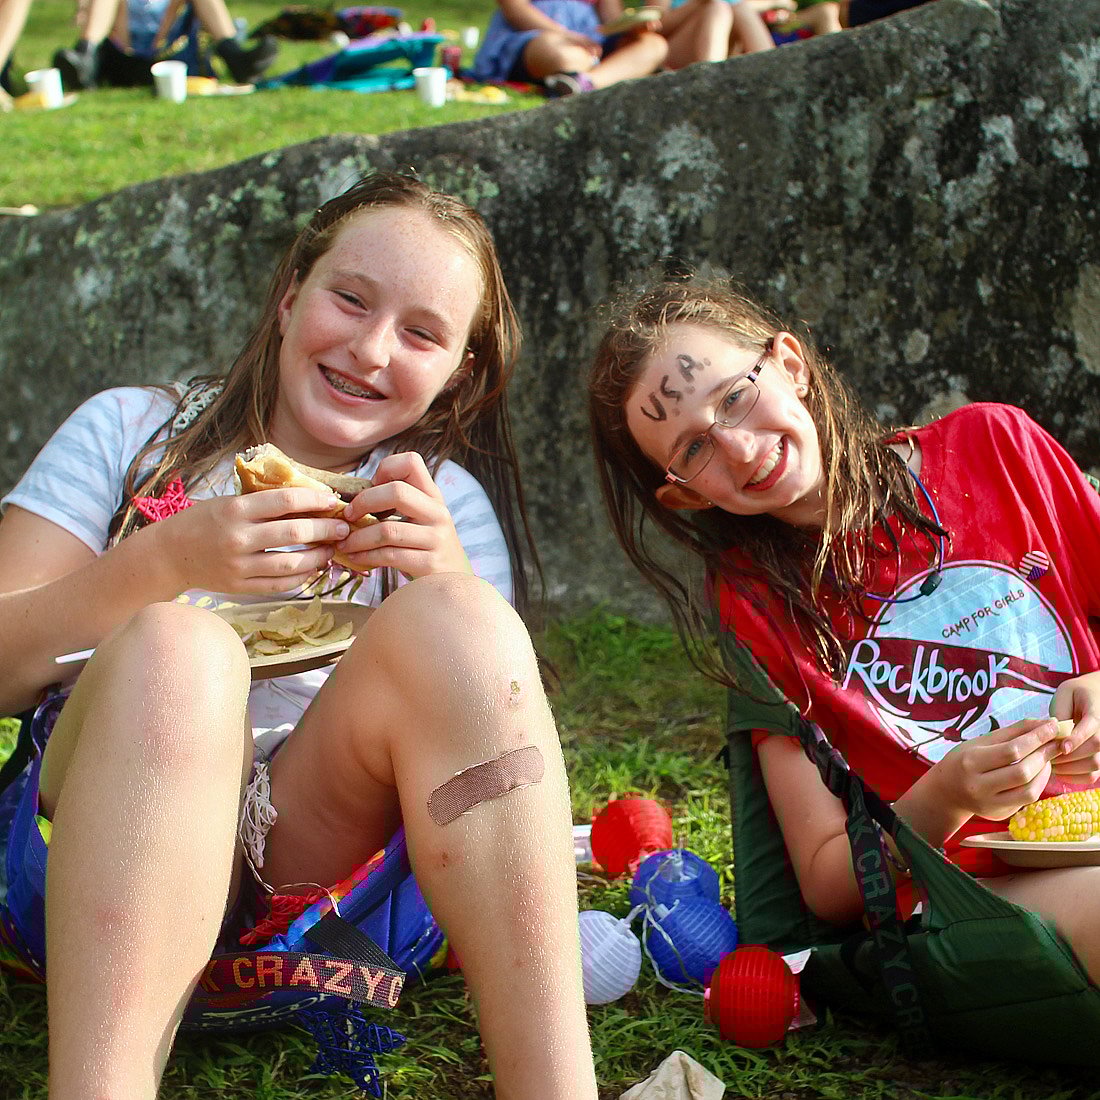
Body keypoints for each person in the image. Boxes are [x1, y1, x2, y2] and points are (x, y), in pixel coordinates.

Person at [0, 172, 598, 1100]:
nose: (368, 347)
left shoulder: (438, 502)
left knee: (464, 620)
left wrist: (442, 581)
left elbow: (500, 749)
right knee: (181, 651)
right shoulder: (130, 429)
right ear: (290, 298)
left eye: (422, 333)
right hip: (106, 840)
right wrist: (163, 564)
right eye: (349, 298)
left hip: (312, 872)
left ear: (460, 374)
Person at [587, 276, 1100, 991]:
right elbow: (828, 882)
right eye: (695, 448)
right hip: (984, 887)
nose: (737, 448)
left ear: (790, 363)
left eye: (736, 396)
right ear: (685, 492)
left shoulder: (997, 448)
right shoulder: (758, 609)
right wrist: (944, 797)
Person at [53, 0, 277, 90]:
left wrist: (158, 44)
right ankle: (85, 57)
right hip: (123, 57)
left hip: (173, 57)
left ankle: (235, 56)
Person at [471, 0, 668, 97]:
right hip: (537, 34)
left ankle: (584, 83)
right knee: (568, 57)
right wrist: (564, 35)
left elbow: (611, 21)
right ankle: (589, 77)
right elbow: (515, 10)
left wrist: (631, 26)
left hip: (591, 41)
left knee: (655, 45)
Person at [653, 0, 773, 67]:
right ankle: (711, 76)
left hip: (726, 47)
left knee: (738, 7)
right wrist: (697, 3)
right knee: (718, 7)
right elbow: (655, 26)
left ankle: (771, 65)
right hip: (672, 51)